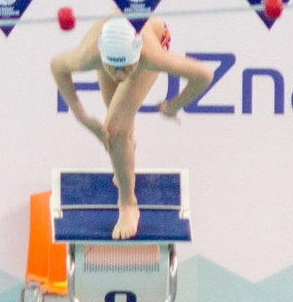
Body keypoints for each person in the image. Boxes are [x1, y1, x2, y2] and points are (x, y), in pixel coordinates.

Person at [50, 15, 214, 239]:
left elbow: (204, 75)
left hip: (153, 36)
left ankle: (128, 204)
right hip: (114, 40)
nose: (120, 76)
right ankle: (126, 149)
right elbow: (57, 67)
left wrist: (173, 107)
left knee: (114, 129)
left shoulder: (149, 55)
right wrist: (83, 118)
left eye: (126, 68)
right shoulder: (90, 54)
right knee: (117, 126)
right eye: (114, 68)